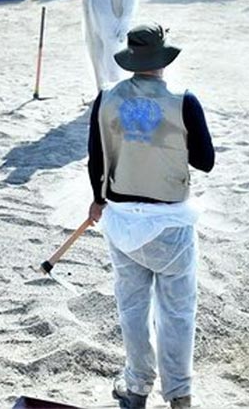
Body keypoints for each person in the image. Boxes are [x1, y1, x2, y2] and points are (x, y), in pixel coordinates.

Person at [87, 23, 215, 409]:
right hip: (170, 223)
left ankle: (137, 387)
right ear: (162, 58)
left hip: (122, 218)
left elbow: (96, 159)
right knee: (177, 311)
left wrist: (96, 199)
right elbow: (205, 161)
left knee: (132, 308)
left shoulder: (106, 98)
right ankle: (179, 394)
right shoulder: (183, 100)